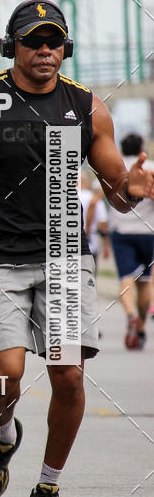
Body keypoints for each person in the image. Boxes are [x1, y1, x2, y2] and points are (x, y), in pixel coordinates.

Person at [0, 0, 154, 497]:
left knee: (68, 376)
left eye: (54, 42)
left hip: (67, 255)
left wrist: (132, 190)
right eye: (33, 41)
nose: (45, 51)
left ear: (65, 49)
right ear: (11, 47)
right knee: (5, 374)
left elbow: (116, 193)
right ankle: (3, 438)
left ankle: (47, 489)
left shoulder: (88, 108)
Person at [108, 133, 154, 349]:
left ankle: (131, 315)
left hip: (121, 231)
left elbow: (104, 197)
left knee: (126, 278)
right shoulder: (151, 167)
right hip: (148, 232)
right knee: (145, 281)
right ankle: (142, 326)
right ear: (141, 149)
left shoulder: (115, 167)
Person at [78, 172, 108, 272]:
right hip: (90, 245)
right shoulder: (94, 199)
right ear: (87, 182)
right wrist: (106, 244)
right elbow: (103, 224)